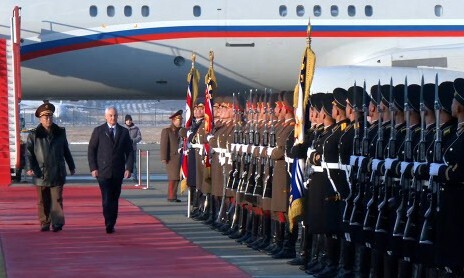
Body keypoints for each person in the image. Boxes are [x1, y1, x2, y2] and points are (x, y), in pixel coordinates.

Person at [26, 102, 76, 232]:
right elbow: (29, 154)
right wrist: (30, 168)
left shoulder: (60, 132)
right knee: (43, 200)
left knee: (57, 199)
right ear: (40, 119)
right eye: (45, 117)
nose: (48, 119)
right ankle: (45, 222)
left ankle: (57, 223)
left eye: (50, 117)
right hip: (41, 172)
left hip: (57, 171)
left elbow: (66, 150)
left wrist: (71, 166)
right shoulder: (34, 134)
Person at [88, 106, 133, 234]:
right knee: (106, 198)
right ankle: (108, 222)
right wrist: (93, 168)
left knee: (114, 198)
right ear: (106, 117)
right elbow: (91, 150)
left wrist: (128, 168)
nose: (113, 118)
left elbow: (129, 152)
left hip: (118, 171)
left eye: (115, 116)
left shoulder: (123, 132)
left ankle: (112, 221)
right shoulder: (98, 131)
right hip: (103, 171)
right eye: (111, 116)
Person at [160, 109, 183, 202]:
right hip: (172, 158)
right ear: (173, 120)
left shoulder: (181, 131)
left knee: (177, 177)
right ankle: (171, 196)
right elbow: (164, 145)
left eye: (181, 119)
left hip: (180, 158)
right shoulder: (167, 131)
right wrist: (164, 157)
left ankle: (174, 195)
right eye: (179, 120)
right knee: (173, 178)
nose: (180, 121)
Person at [124, 114, 142, 182]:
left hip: (132, 149)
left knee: (133, 163)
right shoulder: (122, 128)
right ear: (125, 121)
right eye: (127, 120)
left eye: (129, 120)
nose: (128, 121)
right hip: (124, 149)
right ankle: (125, 176)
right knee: (124, 162)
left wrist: (133, 140)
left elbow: (139, 137)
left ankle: (135, 177)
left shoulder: (136, 128)